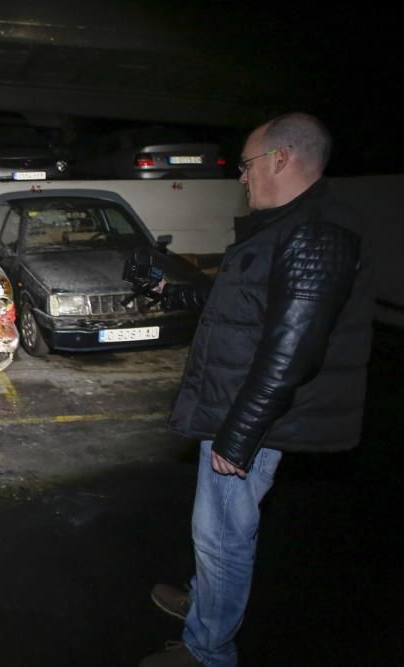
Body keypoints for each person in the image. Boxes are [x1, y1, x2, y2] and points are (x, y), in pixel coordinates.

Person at [139, 112, 375, 667]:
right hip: (236, 407)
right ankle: (206, 607)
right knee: (213, 534)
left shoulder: (318, 231)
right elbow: (242, 307)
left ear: (280, 159)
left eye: (245, 166)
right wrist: (168, 288)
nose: (242, 178)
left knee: (222, 538)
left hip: (252, 417)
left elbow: (293, 348)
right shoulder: (286, 225)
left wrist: (238, 435)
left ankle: (208, 650)